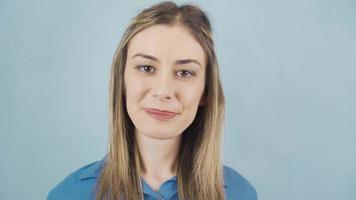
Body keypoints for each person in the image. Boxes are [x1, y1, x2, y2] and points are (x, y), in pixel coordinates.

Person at [47, 1, 257, 200]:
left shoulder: (240, 193)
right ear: (122, 81)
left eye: (184, 73)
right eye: (146, 68)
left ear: (205, 91)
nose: (163, 91)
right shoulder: (71, 193)